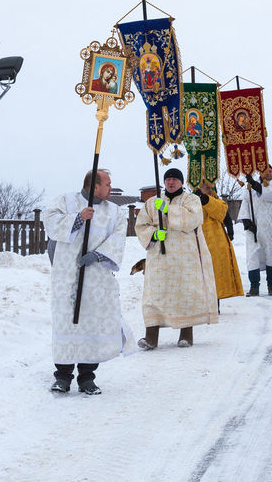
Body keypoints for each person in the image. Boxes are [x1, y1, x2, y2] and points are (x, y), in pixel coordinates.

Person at [43, 168, 129, 394]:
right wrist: (78, 218)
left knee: (91, 325)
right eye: (107, 184)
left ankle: (87, 378)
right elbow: (50, 222)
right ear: (94, 186)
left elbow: (118, 237)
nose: (111, 188)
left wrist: (98, 255)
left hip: (96, 277)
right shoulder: (66, 201)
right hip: (67, 276)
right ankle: (62, 377)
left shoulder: (115, 212)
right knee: (67, 324)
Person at [134, 168, 218, 349]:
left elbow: (194, 219)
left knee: (184, 293)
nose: (170, 182)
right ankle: (150, 338)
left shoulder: (191, 200)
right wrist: (153, 234)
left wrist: (168, 211)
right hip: (159, 257)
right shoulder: (152, 202)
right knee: (154, 296)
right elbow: (141, 225)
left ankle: (186, 335)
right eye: (168, 179)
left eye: (174, 179)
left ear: (181, 182)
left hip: (185, 258)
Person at [237, 164, 272, 295]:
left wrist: (254, 184)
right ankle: (254, 287)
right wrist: (247, 222)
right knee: (252, 256)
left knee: (271, 256)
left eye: (271, 171)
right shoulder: (250, 187)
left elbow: (270, 194)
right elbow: (245, 202)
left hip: (271, 227)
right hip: (254, 229)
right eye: (266, 171)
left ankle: (271, 286)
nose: (269, 173)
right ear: (260, 172)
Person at [198, 177, 244, 302]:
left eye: (211, 188)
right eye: (207, 188)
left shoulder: (217, 201)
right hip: (198, 242)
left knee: (215, 274)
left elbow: (223, 214)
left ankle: (215, 304)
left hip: (215, 243)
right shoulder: (192, 202)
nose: (210, 190)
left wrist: (230, 230)